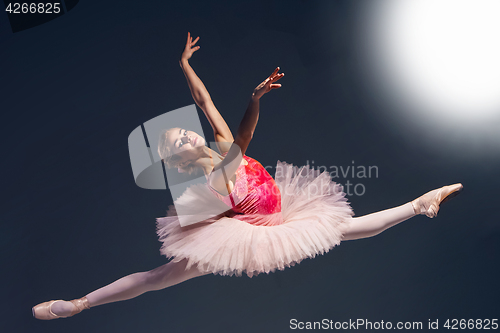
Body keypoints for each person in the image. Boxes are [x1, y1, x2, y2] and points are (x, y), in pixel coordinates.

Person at [32, 32, 463, 320]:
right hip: (249, 229)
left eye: (183, 131)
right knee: (158, 278)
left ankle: (418, 203)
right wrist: (252, 106)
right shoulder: (214, 173)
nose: (185, 134)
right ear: (178, 159)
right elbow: (244, 137)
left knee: (345, 228)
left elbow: (205, 103)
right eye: (176, 141)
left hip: (282, 208)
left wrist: (188, 67)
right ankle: (80, 303)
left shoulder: (218, 143)